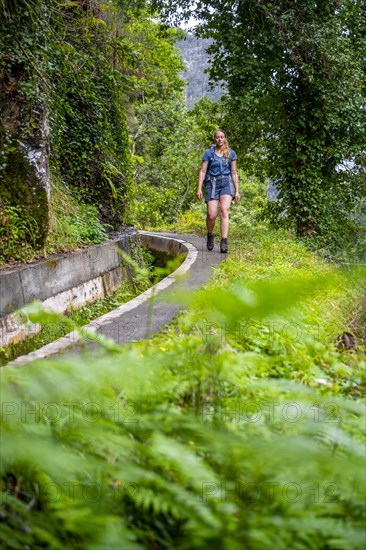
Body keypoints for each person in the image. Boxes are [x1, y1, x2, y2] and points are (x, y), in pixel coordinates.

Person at [197, 129, 240, 253]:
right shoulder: (208, 153)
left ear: (225, 138)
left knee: (224, 210)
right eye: (217, 137)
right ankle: (210, 235)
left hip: (226, 183)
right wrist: (199, 188)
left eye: (222, 137)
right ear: (214, 139)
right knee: (211, 215)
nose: (219, 139)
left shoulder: (231, 154)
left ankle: (224, 241)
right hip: (211, 183)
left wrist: (237, 190)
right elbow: (203, 171)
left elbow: (234, 172)